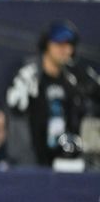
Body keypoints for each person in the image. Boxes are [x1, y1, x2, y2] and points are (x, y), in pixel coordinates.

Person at [6, 20, 100, 167]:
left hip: (69, 159)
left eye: (68, 45)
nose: (64, 50)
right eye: (58, 44)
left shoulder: (76, 77)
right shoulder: (29, 75)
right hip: (34, 159)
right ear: (46, 45)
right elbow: (15, 107)